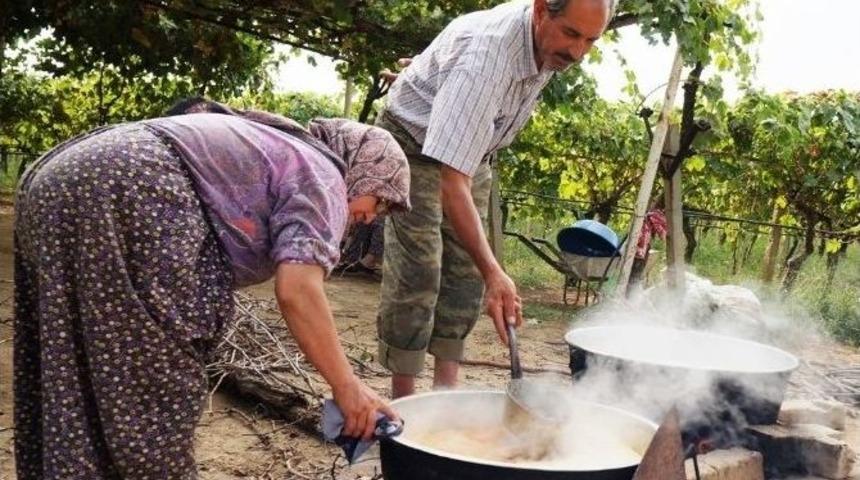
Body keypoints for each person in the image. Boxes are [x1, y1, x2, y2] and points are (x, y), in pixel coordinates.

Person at [12, 101, 410, 479]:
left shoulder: (280, 146)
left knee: (72, 364)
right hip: (130, 187)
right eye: (381, 199)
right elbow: (298, 290)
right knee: (156, 384)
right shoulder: (323, 174)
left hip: (57, 176)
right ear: (368, 168)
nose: (371, 216)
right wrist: (347, 386)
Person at [375, 0, 614, 397]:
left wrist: (484, 270)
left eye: (591, 40)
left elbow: (462, 165)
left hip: (473, 148)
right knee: (420, 265)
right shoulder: (487, 58)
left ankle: (446, 395)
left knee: (467, 267)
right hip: (411, 144)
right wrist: (496, 273)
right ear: (541, 11)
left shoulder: (553, 41)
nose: (577, 52)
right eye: (571, 34)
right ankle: (406, 404)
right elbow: (453, 183)